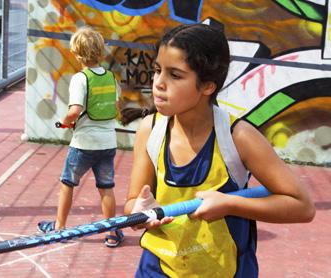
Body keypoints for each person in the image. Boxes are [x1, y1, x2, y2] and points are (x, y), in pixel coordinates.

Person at [123, 23, 315, 277]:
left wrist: (230, 204)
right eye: (157, 70)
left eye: (175, 75)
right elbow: (131, 202)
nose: (158, 83)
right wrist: (138, 210)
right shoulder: (151, 130)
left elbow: (302, 206)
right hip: (157, 269)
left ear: (207, 86)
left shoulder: (239, 138)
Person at [38, 27, 124, 247]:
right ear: (101, 52)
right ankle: (112, 232)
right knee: (106, 187)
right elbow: (114, 106)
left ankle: (59, 228)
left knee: (67, 183)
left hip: (84, 142)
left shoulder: (80, 78)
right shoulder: (110, 78)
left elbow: (75, 110)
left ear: (77, 54)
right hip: (107, 142)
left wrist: (64, 122)